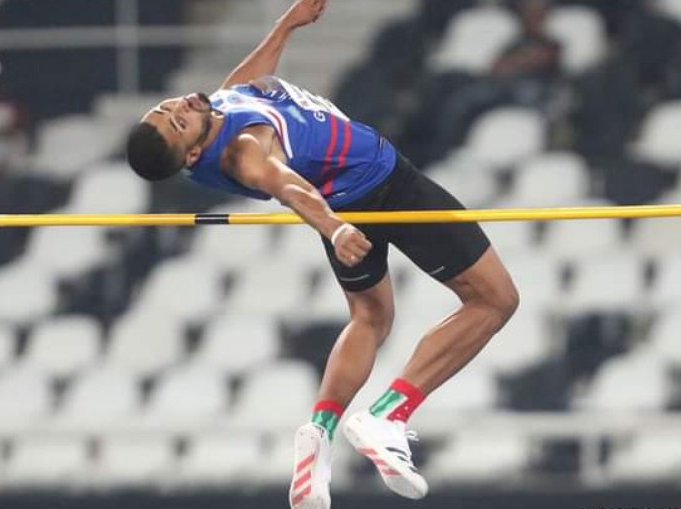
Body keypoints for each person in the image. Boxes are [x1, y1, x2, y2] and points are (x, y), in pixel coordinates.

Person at [126, 1, 519, 507]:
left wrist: (283, 26)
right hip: (384, 187)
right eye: (176, 124)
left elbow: (241, 87)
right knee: (495, 300)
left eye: (167, 108)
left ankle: (318, 436)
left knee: (371, 316)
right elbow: (289, 186)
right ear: (195, 155)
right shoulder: (244, 151)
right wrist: (334, 230)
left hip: (349, 195)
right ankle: (388, 415)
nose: (179, 107)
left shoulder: (217, 118)